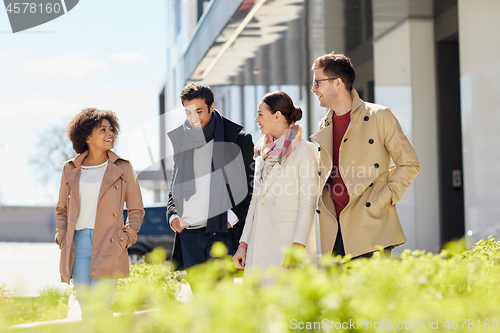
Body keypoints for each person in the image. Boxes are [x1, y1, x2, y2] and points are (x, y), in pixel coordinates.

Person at [310, 52, 421, 259]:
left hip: (370, 226)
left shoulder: (379, 116)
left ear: (337, 83)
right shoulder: (324, 124)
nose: (313, 89)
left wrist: (382, 200)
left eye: (317, 82)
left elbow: (409, 164)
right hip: (334, 230)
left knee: (369, 291)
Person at [54, 108, 144, 321]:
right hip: (79, 244)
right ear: (87, 137)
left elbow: (136, 208)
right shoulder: (70, 169)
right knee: (88, 309)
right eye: (102, 130)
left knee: (101, 307)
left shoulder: (123, 167)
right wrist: (62, 233)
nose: (110, 133)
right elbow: (61, 210)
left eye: (111, 129)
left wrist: (127, 236)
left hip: (110, 242)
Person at [167, 82, 254, 270]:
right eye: (188, 112)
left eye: (199, 111)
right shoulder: (181, 140)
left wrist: (231, 219)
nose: (194, 118)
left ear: (211, 107)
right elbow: (174, 186)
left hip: (221, 232)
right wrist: (172, 216)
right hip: (188, 233)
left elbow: (251, 186)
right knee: (199, 298)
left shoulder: (237, 139)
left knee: (221, 297)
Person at [233, 91, 319, 275]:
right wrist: (243, 244)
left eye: (261, 114)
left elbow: (308, 202)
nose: (257, 119)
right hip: (260, 243)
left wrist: (298, 245)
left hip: (287, 244)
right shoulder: (262, 153)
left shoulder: (306, 150)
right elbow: (255, 202)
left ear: (278, 116)